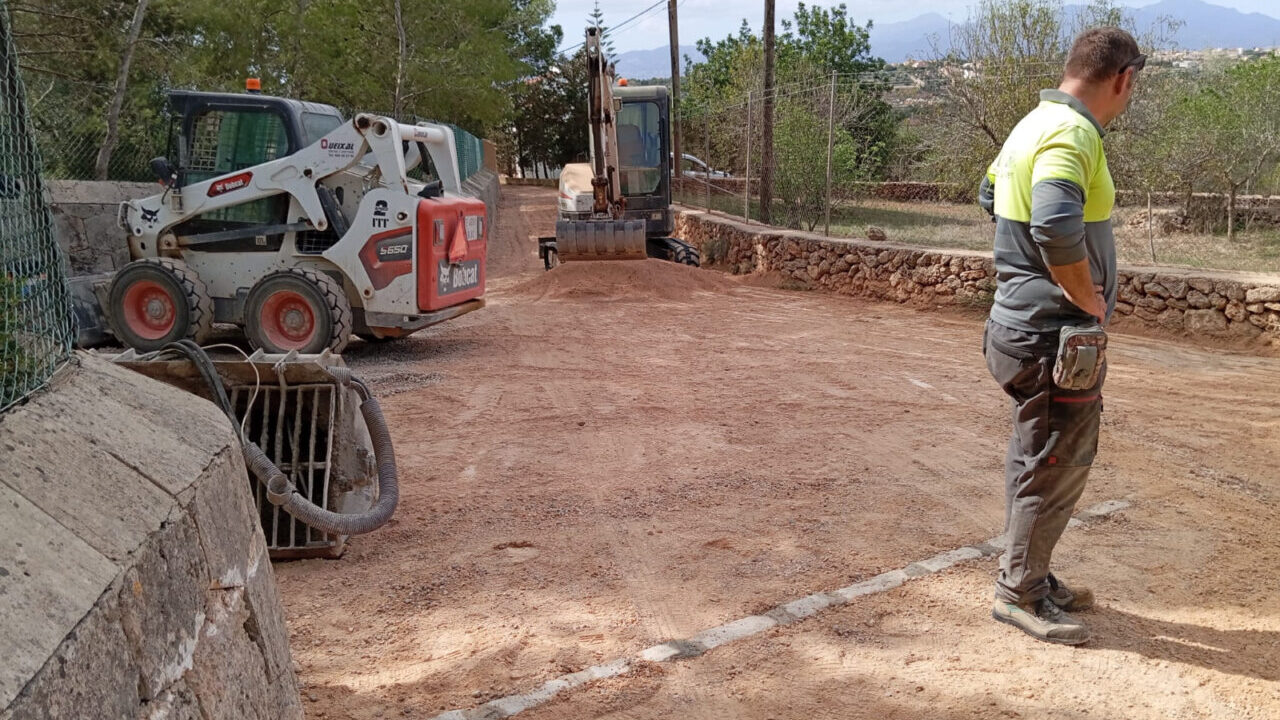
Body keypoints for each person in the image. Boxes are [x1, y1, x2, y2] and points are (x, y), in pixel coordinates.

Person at [977, 27, 1144, 645]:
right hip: (1052, 338)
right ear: (1124, 79)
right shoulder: (1075, 133)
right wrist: (1085, 295)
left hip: (1016, 325)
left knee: (1035, 457)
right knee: (1057, 461)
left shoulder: (1033, 122)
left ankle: (1030, 574)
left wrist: (1024, 272)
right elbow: (1052, 218)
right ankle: (1018, 593)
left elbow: (989, 192)